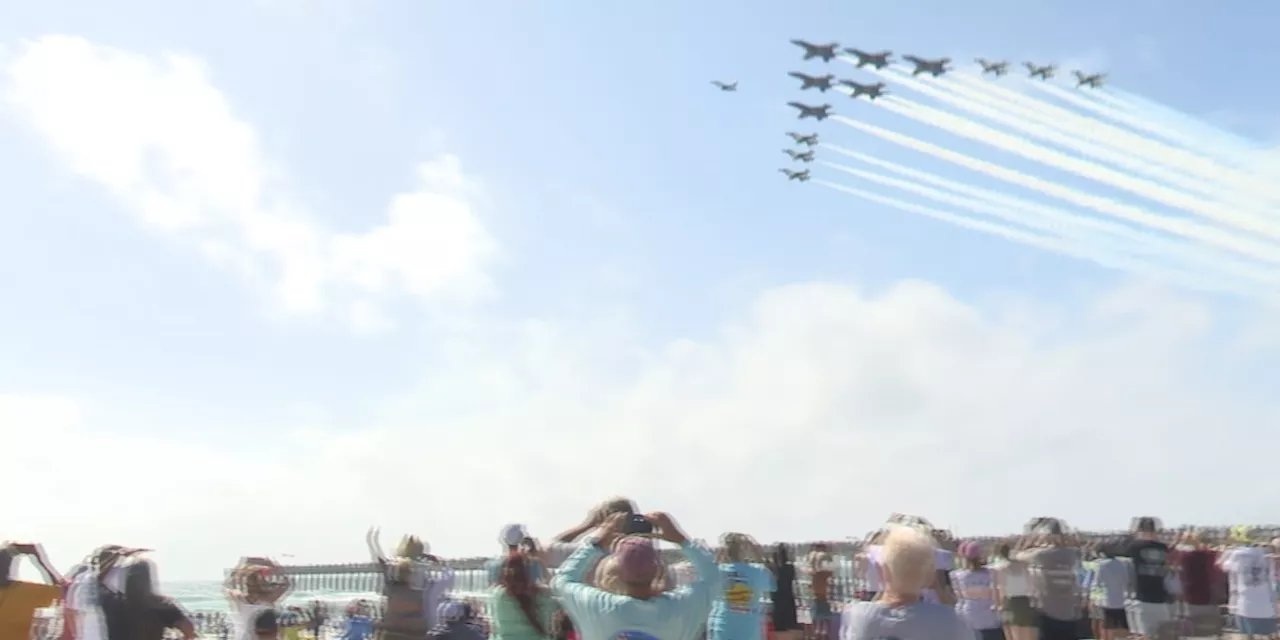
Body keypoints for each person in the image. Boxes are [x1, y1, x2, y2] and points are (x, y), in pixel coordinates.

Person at [552, 511, 717, 640]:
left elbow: (563, 579)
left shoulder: (598, 605)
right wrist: (681, 540)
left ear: (613, 570)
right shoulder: (679, 606)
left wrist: (595, 543)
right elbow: (714, 579)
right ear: (657, 569)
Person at [837, 527, 970, 640]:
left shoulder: (857, 616)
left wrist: (886, 583)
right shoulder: (950, 621)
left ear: (884, 571)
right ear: (930, 576)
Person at [1013, 519, 1083, 640]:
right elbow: (1077, 547)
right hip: (1070, 612)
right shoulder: (1072, 554)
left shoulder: (1040, 555)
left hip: (1048, 611)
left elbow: (1015, 555)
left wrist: (1028, 539)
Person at [1107, 517, 1171, 640]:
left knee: (1142, 634)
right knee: (1162, 633)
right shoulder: (1163, 548)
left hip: (1140, 595)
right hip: (1161, 596)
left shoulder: (1133, 547)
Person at [707, 533, 774, 640]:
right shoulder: (758, 571)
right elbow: (771, 585)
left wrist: (718, 557)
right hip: (750, 630)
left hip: (723, 627)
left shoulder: (718, 571)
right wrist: (759, 556)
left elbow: (708, 578)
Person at [1219, 529, 1277, 640]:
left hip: (1245, 602)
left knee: (1248, 634)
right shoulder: (1266, 553)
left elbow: (1223, 566)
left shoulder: (1236, 555)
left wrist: (1225, 552)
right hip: (1266, 602)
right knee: (1270, 633)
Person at [489, 551, 557, 640]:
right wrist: (542, 563)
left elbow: (493, 628)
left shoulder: (497, 595)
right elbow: (557, 587)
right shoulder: (542, 595)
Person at [225, 557, 291, 640]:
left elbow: (227, 585)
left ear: (246, 584)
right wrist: (275, 567)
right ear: (261, 582)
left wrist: (238, 568)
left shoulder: (240, 597)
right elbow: (287, 583)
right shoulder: (269, 598)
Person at [951, 541, 1004, 640]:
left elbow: (958, 598)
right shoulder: (992, 572)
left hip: (969, 618)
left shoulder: (957, 575)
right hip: (990, 618)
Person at [991, 541, 1036, 640]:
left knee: (1012, 635)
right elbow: (1031, 585)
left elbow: (1000, 589)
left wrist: (999, 605)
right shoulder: (1024, 566)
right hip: (1025, 601)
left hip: (1010, 602)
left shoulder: (1000, 568)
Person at [1090, 547, 1129, 640]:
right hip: (1121, 601)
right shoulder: (1123, 565)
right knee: (1121, 628)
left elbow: (1097, 584)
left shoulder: (1101, 565)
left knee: (1107, 628)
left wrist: (1093, 600)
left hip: (1106, 601)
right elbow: (1127, 582)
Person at [766, 544, 801, 640]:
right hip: (788, 600)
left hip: (777, 601)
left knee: (778, 629)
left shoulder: (772, 569)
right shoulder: (790, 568)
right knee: (790, 628)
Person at [805, 542, 836, 639]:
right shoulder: (823, 557)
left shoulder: (812, 556)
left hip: (815, 590)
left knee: (816, 617)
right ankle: (823, 634)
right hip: (823, 591)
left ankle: (816, 634)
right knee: (825, 619)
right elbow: (830, 572)